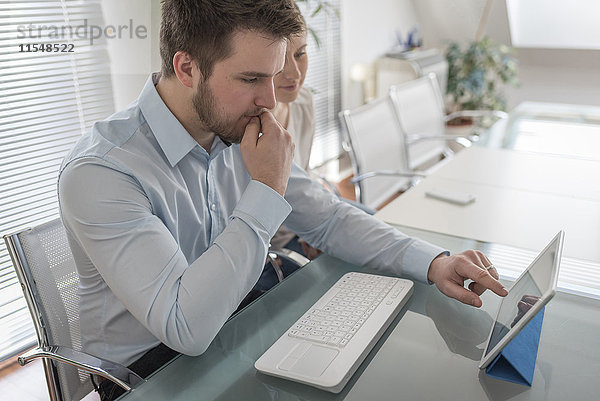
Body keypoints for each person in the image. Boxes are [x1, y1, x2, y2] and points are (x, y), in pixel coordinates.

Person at [57, 1, 507, 399]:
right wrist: (267, 189)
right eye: (251, 78)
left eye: (273, 76)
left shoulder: (238, 124)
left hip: (238, 322)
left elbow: (328, 220)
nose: (269, 100)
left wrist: (435, 262)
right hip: (152, 372)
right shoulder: (103, 172)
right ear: (187, 67)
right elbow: (185, 328)